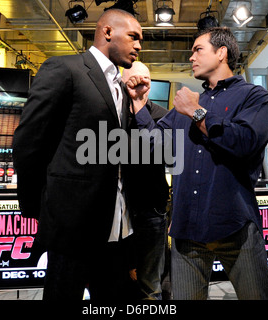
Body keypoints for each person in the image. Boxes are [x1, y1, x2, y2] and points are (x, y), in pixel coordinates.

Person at [126, 27, 268, 300]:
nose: (191, 57)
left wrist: (196, 113)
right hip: (188, 230)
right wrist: (138, 104)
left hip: (236, 225)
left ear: (221, 53)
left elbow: (245, 142)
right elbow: (152, 145)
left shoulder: (253, 97)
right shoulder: (187, 103)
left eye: (198, 50)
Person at [12, 9, 143, 300]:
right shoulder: (65, 69)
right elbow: (28, 141)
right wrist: (40, 208)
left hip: (116, 226)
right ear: (107, 32)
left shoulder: (120, 88)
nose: (139, 46)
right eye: (133, 37)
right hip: (72, 226)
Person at [121, 61, 170, 300]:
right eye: (135, 79)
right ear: (123, 83)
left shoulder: (162, 117)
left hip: (151, 210)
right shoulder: (114, 116)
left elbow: (165, 152)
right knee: (117, 280)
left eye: (146, 80)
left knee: (150, 285)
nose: (142, 84)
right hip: (117, 211)